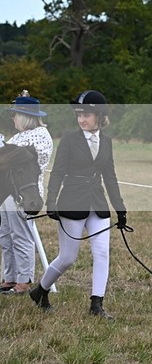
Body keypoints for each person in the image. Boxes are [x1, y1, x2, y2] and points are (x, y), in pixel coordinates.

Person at [29, 90, 126, 319]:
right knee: (68, 257)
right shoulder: (69, 139)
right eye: (79, 114)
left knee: (102, 253)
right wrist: (51, 201)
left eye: (87, 114)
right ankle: (40, 290)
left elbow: (110, 176)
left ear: (100, 116)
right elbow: (58, 172)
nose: (81, 119)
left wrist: (120, 208)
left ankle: (96, 305)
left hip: (97, 202)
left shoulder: (107, 142)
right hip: (71, 201)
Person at [0, 92, 53, 295]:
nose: (12, 118)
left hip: (24, 193)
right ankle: (10, 277)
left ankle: (23, 281)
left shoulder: (41, 136)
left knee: (21, 236)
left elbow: (20, 158)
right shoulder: (18, 136)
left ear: (24, 116)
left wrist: (4, 149)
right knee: (6, 235)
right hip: (7, 192)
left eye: (15, 115)